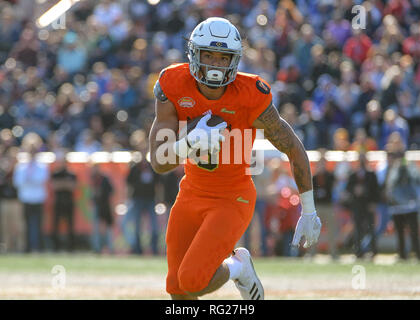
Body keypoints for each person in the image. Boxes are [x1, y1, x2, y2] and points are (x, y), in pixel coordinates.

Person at [148, 17, 321, 300]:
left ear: (235, 59)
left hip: (233, 197)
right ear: (194, 54)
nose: (215, 64)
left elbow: (292, 146)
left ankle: (238, 267)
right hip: (191, 192)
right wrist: (187, 143)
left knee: (192, 280)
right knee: (178, 291)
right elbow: (157, 161)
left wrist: (309, 209)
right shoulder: (172, 83)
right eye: (209, 55)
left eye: (223, 56)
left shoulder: (250, 94)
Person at [385, 133, 420, 260]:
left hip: (410, 202)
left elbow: (415, 177)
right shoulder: (389, 157)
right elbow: (389, 181)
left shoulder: (406, 159)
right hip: (396, 203)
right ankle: (402, 255)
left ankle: (417, 253)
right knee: (399, 231)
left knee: (413, 231)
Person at [13, 133, 49, 253]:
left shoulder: (42, 165)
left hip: (38, 198)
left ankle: (38, 247)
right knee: (26, 224)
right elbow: (18, 182)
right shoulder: (21, 165)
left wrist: (29, 180)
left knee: (38, 224)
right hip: (26, 197)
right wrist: (31, 180)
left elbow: (42, 180)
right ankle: (27, 247)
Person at [344, 152, 380, 259]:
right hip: (357, 206)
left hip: (368, 205)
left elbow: (376, 190)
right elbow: (348, 188)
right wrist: (355, 190)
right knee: (358, 229)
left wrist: (373, 202)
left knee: (371, 228)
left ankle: (373, 251)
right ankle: (359, 251)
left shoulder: (371, 174)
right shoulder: (353, 174)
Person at [51, 151, 77, 252]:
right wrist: (66, 184)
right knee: (55, 225)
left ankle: (71, 248)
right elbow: (54, 186)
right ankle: (56, 247)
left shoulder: (72, 173)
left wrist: (62, 184)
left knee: (70, 225)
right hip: (58, 202)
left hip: (69, 202)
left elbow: (73, 187)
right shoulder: (56, 173)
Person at [90, 163, 114, 254]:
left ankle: (109, 247)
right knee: (96, 227)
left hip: (105, 205)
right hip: (97, 205)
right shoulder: (92, 178)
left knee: (107, 228)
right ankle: (97, 247)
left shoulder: (104, 179)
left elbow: (111, 191)